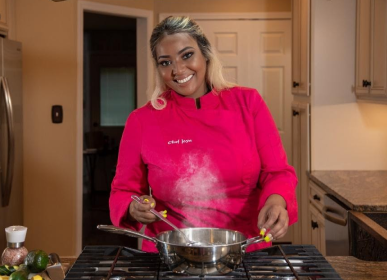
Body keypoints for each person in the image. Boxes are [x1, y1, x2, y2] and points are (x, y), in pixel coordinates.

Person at [109, 16, 298, 252]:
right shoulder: (141, 121)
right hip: (170, 252)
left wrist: (276, 201)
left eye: (187, 55)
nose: (178, 70)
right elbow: (123, 191)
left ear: (206, 54)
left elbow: (278, 173)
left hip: (242, 249)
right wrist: (132, 207)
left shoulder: (248, 103)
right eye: (165, 62)